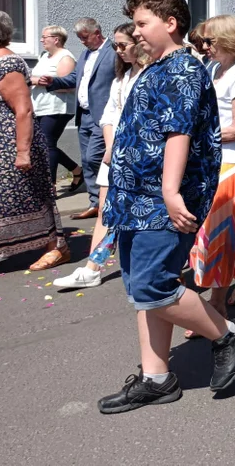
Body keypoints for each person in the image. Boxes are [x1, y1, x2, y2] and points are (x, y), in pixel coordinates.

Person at [97, 0, 235, 414]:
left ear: (171, 23)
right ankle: (157, 378)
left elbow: (178, 133)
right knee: (141, 290)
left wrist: (170, 192)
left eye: (143, 23)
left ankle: (228, 333)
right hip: (135, 197)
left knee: (154, 284)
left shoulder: (183, 69)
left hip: (160, 199)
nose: (136, 32)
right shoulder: (156, 67)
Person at [183, 15, 235, 337]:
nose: (204, 47)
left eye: (209, 41)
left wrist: (196, 137)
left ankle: (216, 305)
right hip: (212, 160)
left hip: (231, 162)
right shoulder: (214, 69)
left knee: (216, 234)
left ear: (228, 40)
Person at [54, 23, 149, 290]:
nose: (117, 51)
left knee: (146, 215)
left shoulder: (152, 76)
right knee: (106, 212)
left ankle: (165, 267)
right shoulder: (122, 77)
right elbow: (109, 115)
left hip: (141, 158)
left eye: (122, 45)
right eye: (116, 46)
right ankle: (92, 268)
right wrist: (110, 147)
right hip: (116, 154)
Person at [0, 10, 68, 271]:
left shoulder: (6, 64)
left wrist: (22, 152)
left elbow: (23, 109)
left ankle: (56, 247)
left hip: (9, 143)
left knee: (31, 194)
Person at [39, 18, 116, 220]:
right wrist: (53, 81)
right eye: (80, 38)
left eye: (85, 37)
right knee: (87, 160)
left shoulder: (113, 52)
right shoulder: (85, 54)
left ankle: (109, 199)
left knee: (93, 158)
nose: (82, 41)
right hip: (84, 115)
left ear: (97, 33)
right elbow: (75, 79)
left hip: (103, 115)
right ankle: (95, 203)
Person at [29, 25, 82, 188]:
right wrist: (35, 80)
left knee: (46, 144)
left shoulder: (66, 57)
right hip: (41, 107)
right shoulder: (45, 56)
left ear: (56, 39)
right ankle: (76, 170)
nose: (41, 40)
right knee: (42, 144)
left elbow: (69, 85)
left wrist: (38, 81)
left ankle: (49, 186)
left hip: (57, 108)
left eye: (45, 37)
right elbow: (33, 77)